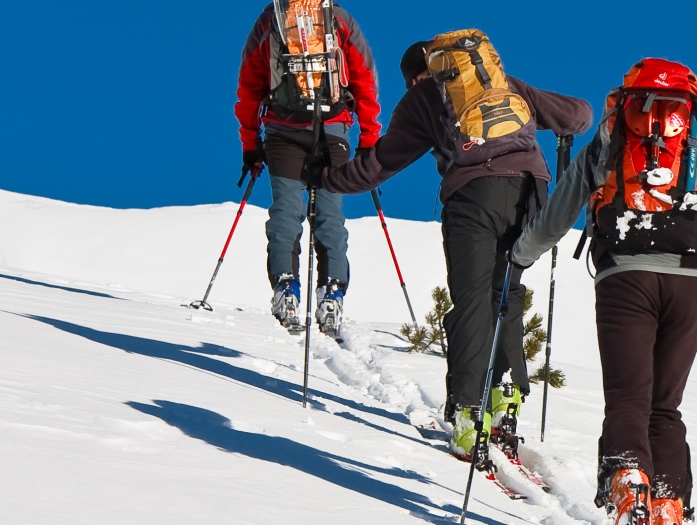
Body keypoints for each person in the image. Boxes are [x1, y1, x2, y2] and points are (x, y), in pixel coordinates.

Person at [305, 36, 591, 459]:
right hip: (532, 193)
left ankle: (468, 412)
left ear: (418, 75)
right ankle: (505, 394)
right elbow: (579, 115)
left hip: (473, 197)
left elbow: (376, 167)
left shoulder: (423, 98)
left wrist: (326, 178)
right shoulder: (500, 84)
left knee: (472, 300)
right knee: (506, 292)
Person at [509, 58, 697, 525]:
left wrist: (519, 259)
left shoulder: (606, 150)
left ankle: (630, 484)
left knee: (628, 399)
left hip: (624, 279)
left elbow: (555, 219)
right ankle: (668, 505)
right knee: (664, 406)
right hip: (691, 285)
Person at [235, 0, 381, 332]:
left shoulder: (270, 19)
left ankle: (286, 287)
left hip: (282, 133)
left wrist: (250, 144)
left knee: (286, 212)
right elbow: (364, 78)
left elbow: (249, 86)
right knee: (330, 215)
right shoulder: (339, 19)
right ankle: (332, 293)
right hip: (332, 131)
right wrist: (370, 137)